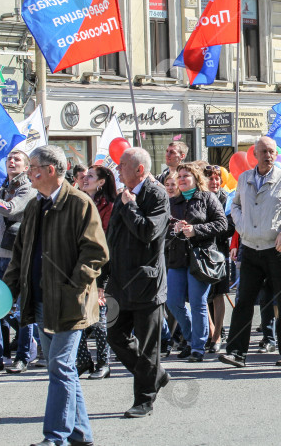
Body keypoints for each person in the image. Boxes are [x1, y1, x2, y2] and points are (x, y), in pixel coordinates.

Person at [2, 145, 109, 444]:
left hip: (69, 303)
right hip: (40, 301)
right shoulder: (35, 205)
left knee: (60, 367)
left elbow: (96, 252)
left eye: (32, 166)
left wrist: (74, 285)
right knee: (61, 369)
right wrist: (8, 290)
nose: (28, 171)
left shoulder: (79, 203)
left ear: (50, 170)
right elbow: (21, 253)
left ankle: (55, 437)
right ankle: (81, 434)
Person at [221, 136, 281, 367]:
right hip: (250, 248)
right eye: (263, 151)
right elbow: (235, 205)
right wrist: (241, 225)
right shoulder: (245, 178)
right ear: (254, 154)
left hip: (276, 249)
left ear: (276, 155)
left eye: (271, 151)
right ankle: (236, 353)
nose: (267, 155)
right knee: (244, 300)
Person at [105, 147, 171, 418]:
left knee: (148, 346)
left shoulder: (156, 194)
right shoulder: (124, 194)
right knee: (114, 335)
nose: (118, 170)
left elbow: (148, 232)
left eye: (122, 166)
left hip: (146, 283)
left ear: (139, 170)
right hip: (120, 282)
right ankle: (155, 373)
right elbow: (113, 237)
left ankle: (144, 400)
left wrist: (131, 205)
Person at [166, 163, 227, 362]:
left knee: (197, 303)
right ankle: (192, 337)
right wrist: (174, 230)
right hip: (177, 258)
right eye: (180, 176)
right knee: (173, 302)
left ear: (196, 179)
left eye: (187, 176)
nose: (182, 179)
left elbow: (221, 224)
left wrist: (196, 230)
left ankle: (198, 348)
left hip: (200, 258)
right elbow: (163, 230)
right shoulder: (172, 201)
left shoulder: (207, 197)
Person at [0, 149, 35, 374]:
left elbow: (11, 209)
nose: (11, 162)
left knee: (23, 309)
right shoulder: (2, 187)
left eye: (17, 160)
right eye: (9, 159)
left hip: (19, 257)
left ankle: (23, 357)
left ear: (26, 167)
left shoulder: (28, 188)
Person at [75, 165, 117, 379]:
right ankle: (83, 360)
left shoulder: (108, 206)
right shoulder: (77, 200)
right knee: (77, 316)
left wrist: (102, 283)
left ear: (101, 182)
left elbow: (105, 244)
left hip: (100, 267)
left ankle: (104, 362)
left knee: (99, 319)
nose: (85, 178)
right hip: (77, 264)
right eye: (84, 175)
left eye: (90, 176)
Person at [204, 165, 235, 354]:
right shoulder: (198, 197)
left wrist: (208, 227)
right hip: (201, 252)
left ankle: (217, 335)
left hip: (220, 251)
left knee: (218, 294)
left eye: (217, 178)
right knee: (200, 296)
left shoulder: (227, 198)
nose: (214, 182)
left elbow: (229, 226)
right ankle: (210, 331)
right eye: (210, 179)